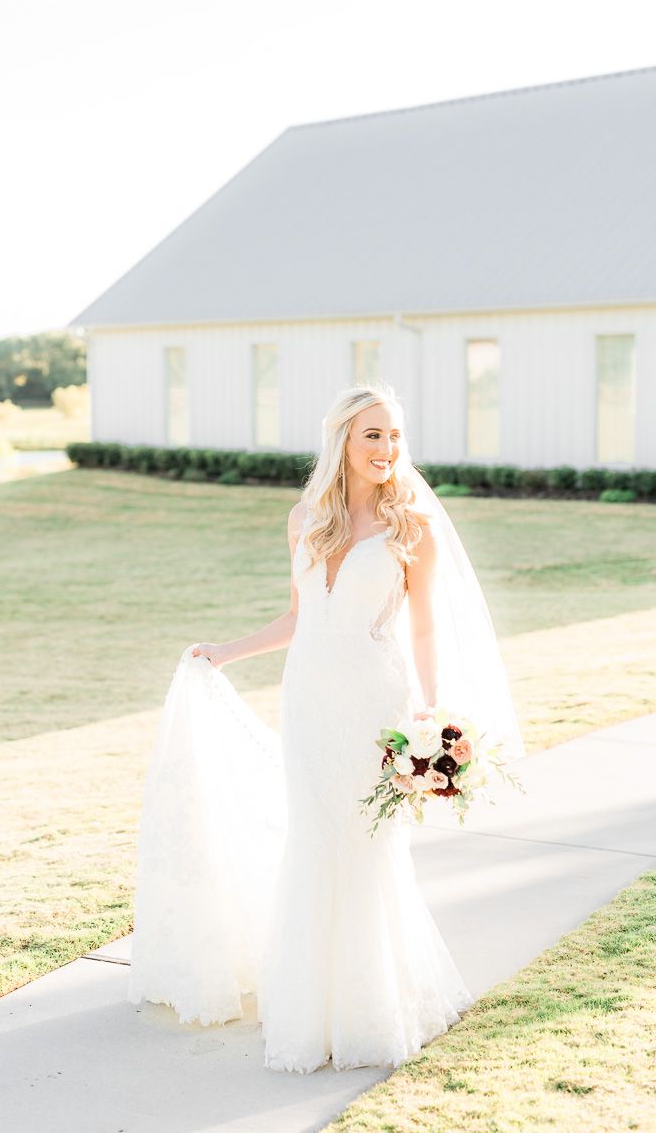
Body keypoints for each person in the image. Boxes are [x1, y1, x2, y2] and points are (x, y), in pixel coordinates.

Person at [125, 383, 525, 1074]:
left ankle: (372, 1011)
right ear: (342, 438)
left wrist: (430, 713)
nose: (387, 449)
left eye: (395, 436)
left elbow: (424, 624)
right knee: (313, 842)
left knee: (365, 846)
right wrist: (222, 651)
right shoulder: (304, 519)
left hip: (375, 703)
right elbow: (298, 618)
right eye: (372, 434)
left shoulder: (412, 527)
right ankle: (312, 1010)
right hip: (308, 700)